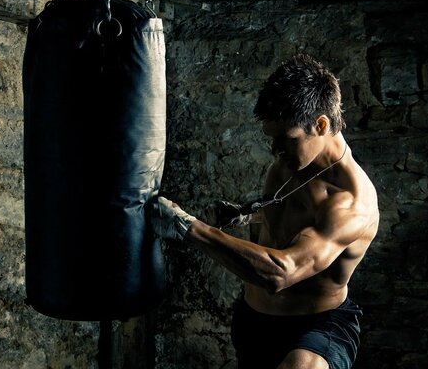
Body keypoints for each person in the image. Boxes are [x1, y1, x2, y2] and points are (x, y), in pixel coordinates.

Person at [152, 54, 379, 369]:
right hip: (253, 321)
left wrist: (187, 226)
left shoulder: (352, 202)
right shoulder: (289, 164)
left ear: (321, 124)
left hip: (317, 327)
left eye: (286, 139)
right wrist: (247, 215)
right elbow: (291, 224)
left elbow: (282, 272)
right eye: (272, 139)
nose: (275, 150)